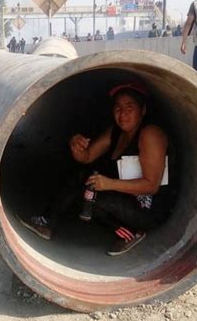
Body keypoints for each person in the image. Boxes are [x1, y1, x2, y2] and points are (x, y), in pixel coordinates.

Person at [18, 81, 175, 256]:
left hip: (148, 210)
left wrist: (109, 184)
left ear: (143, 110)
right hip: (126, 197)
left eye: (130, 107)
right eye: (118, 107)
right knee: (81, 178)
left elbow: (151, 186)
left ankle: (131, 233)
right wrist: (76, 146)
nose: (122, 114)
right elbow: (87, 157)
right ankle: (46, 222)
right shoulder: (116, 132)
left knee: (91, 196)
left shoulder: (150, 135)